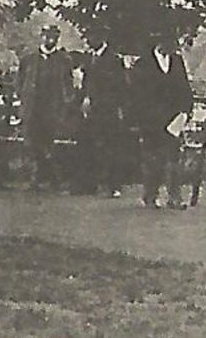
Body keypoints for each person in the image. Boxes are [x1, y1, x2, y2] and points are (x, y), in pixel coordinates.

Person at [128, 31, 194, 209]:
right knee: (152, 159)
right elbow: (138, 95)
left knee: (173, 158)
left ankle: (175, 198)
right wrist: (150, 116)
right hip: (151, 120)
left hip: (173, 120)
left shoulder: (177, 61)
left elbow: (184, 87)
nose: (174, 48)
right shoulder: (144, 63)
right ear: (159, 43)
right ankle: (150, 196)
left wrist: (186, 111)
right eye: (170, 43)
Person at [15, 24, 73, 190]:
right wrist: (22, 97)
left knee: (48, 142)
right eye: (47, 35)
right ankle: (39, 176)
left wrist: (66, 103)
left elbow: (68, 84)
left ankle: (49, 177)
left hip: (52, 108)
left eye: (53, 36)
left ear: (57, 38)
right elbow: (19, 81)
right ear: (42, 36)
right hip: (33, 107)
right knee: (32, 142)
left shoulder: (63, 60)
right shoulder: (29, 58)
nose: (50, 39)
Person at [79, 30, 128, 197]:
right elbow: (86, 83)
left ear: (101, 38)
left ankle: (114, 185)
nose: (88, 41)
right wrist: (86, 99)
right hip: (92, 109)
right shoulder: (89, 59)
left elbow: (121, 86)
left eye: (91, 37)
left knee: (111, 147)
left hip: (109, 109)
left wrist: (119, 108)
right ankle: (90, 184)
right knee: (91, 145)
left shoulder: (114, 60)